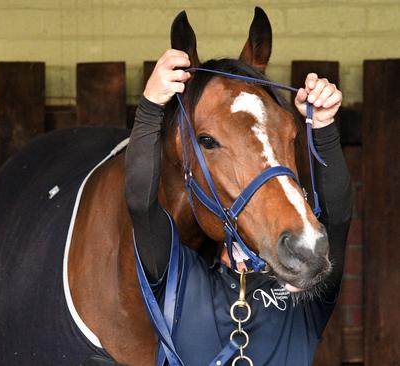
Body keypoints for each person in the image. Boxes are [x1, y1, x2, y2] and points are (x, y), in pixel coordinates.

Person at [123, 49, 353, 365]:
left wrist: (324, 127)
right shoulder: (180, 275)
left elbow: (337, 217)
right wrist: (150, 108)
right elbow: (140, 203)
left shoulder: (301, 286)